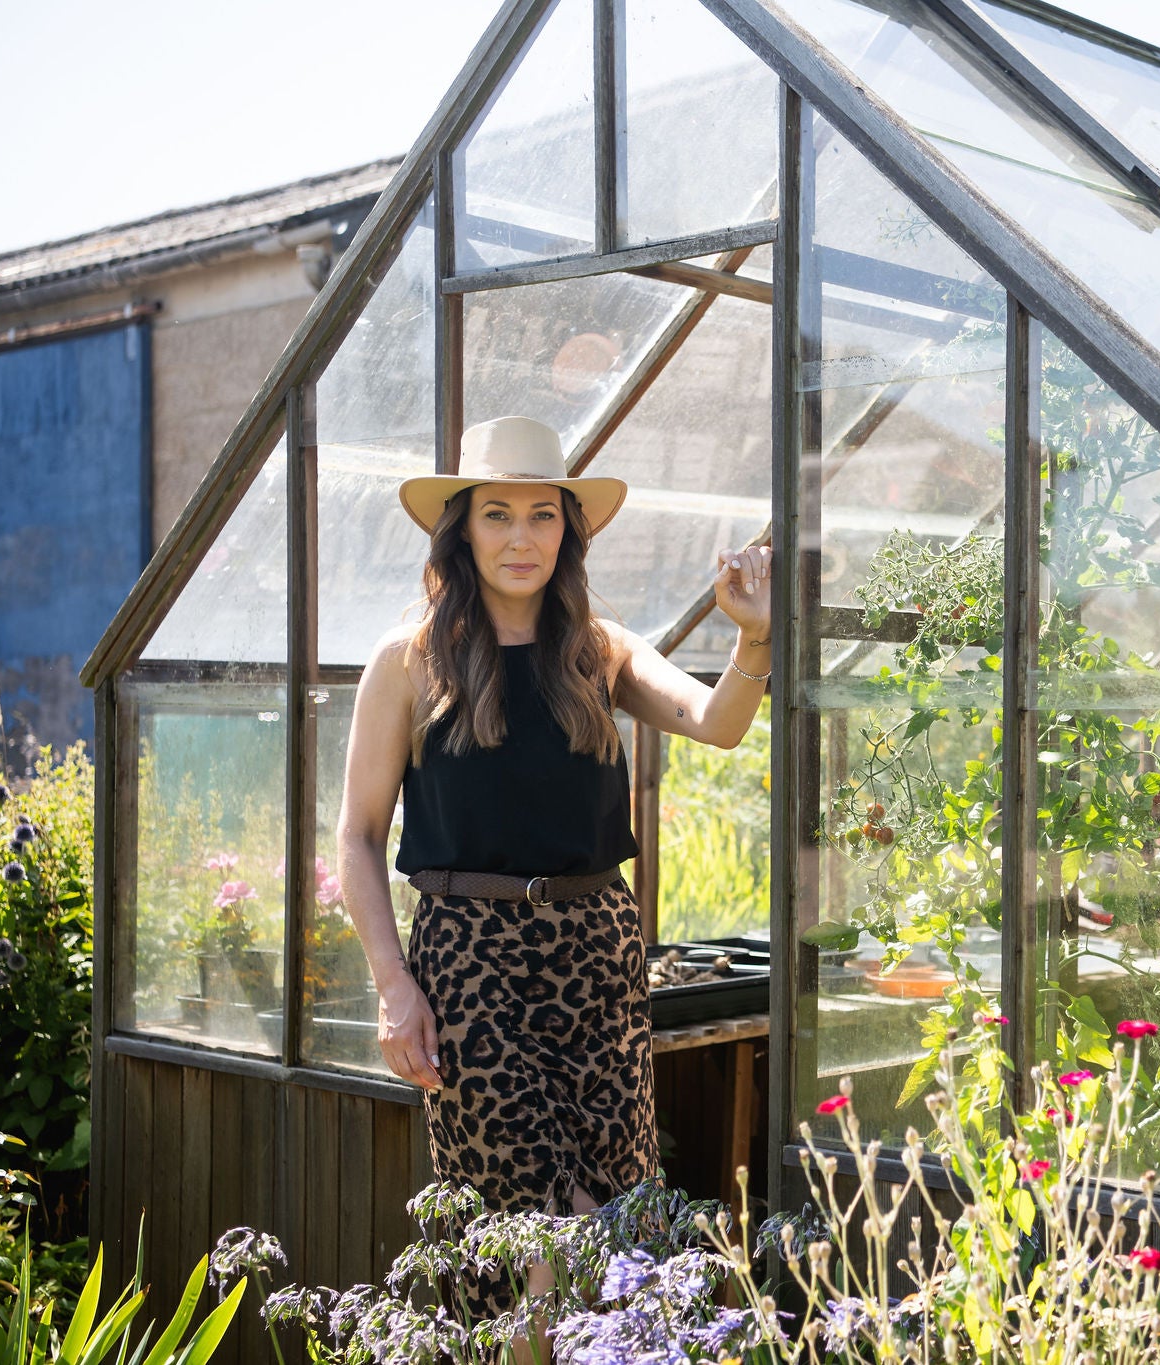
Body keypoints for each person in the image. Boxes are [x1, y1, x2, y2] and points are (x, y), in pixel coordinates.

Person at [334, 415, 771, 1354]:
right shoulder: (406, 661)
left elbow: (717, 720)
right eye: (498, 514)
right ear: (463, 529)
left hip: (598, 956)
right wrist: (393, 986)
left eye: (543, 515)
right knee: (532, 1231)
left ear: (570, 529)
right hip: (468, 962)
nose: (522, 537)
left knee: (613, 1217)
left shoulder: (598, 650)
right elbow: (359, 841)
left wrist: (754, 640)